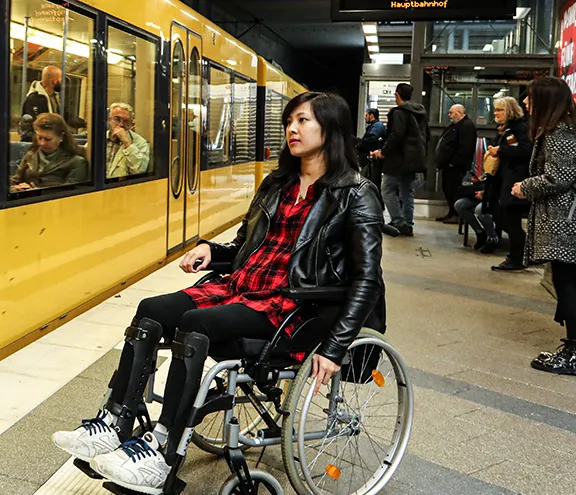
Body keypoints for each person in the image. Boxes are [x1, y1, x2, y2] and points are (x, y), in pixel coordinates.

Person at [52, 92, 385, 494]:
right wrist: (212, 251)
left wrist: (334, 349)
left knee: (196, 323)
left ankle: (161, 450)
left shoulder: (356, 192)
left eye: (303, 121)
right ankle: (115, 420)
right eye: (289, 121)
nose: (292, 129)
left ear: (330, 129)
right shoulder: (278, 183)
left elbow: (367, 279)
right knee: (150, 309)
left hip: (295, 306)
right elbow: (247, 247)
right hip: (241, 288)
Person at [511, 77, 576, 377]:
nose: (526, 103)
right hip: (574, 221)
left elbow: (557, 179)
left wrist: (525, 186)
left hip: (567, 223)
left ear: (546, 101)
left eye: (531, 98)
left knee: (571, 286)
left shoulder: (558, 133)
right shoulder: (568, 129)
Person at [370, 83, 430, 237]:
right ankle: (407, 224)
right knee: (407, 191)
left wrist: (383, 151)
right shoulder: (419, 113)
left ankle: (398, 221)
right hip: (414, 158)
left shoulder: (399, 113)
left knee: (387, 189)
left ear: (397, 94)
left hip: (399, 159)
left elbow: (396, 135)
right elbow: (426, 135)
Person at [488, 96, 532, 271]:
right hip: (506, 178)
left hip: (516, 180)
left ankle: (517, 257)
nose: (496, 113)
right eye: (496, 110)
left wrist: (501, 150)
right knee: (504, 217)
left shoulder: (519, 127)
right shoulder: (506, 128)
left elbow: (524, 150)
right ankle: (520, 254)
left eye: (500, 110)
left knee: (510, 220)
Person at [11, 113, 89, 191]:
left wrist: (36, 192)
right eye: (39, 138)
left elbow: (70, 194)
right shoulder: (31, 155)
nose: (42, 143)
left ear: (61, 137)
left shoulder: (76, 162)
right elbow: (13, 183)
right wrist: (17, 189)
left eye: (47, 139)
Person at [434, 104, 477, 223]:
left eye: (451, 113)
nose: (449, 115)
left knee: (454, 190)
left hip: (456, 166)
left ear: (459, 113)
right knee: (447, 189)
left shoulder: (467, 126)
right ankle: (451, 212)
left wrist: (454, 162)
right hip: (448, 165)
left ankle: (457, 215)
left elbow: (465, 147)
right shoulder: (455, 126)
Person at [106, 102, 150, 178]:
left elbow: (139, 171)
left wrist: (127, 143)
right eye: (117, 119)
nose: (121, 124)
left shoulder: (140, 143)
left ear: (131, 124)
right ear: (109, 120)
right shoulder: (99, 138)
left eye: (126, 121)